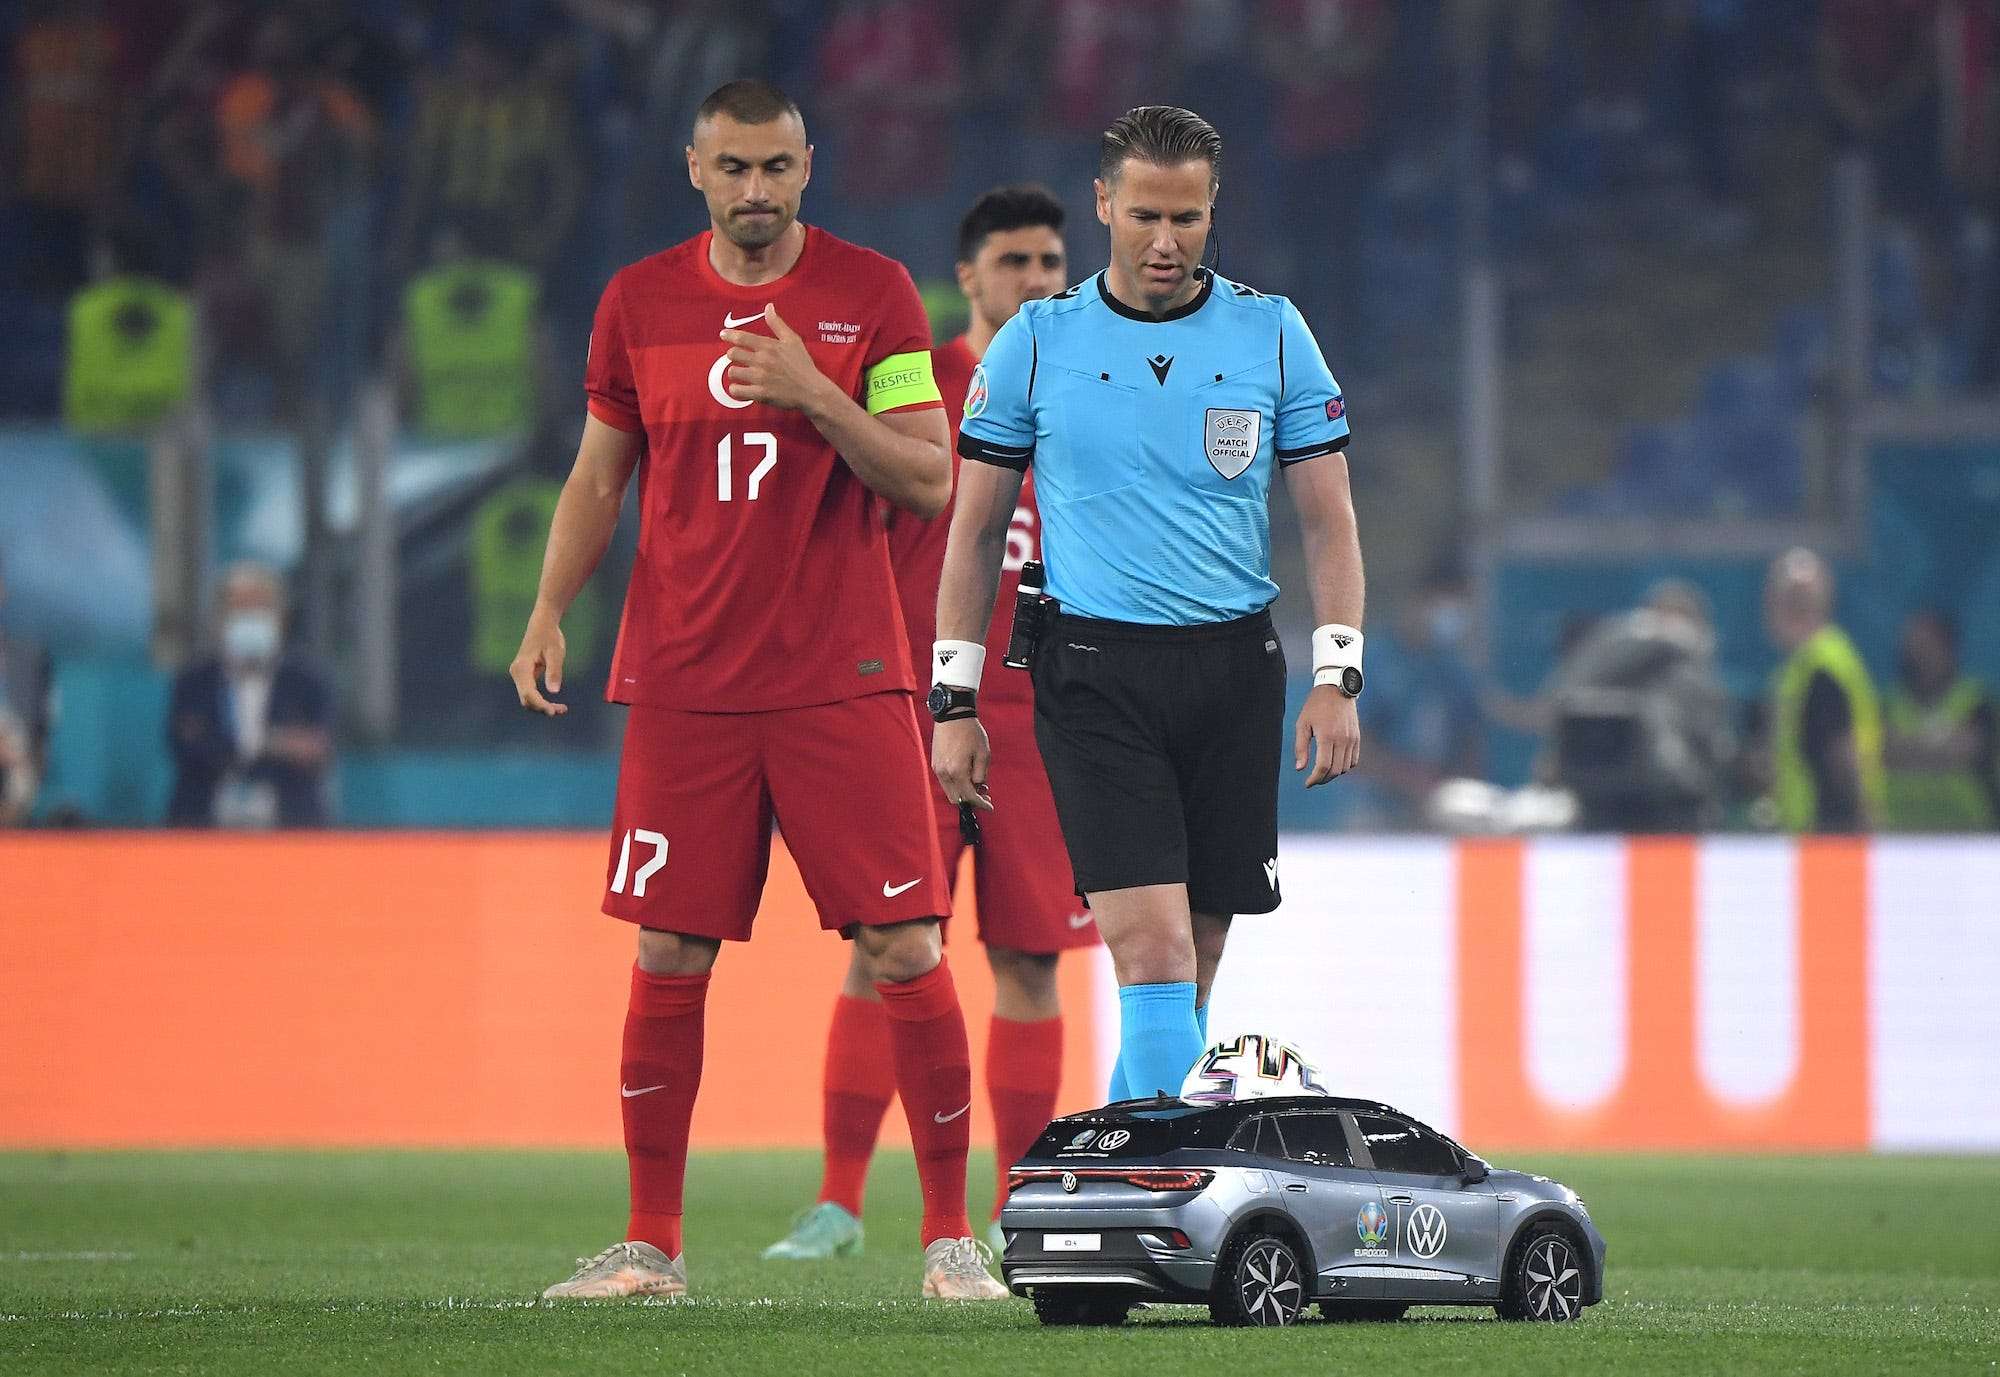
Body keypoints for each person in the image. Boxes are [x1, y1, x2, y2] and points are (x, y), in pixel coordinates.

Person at [514, 79, 1006, 1304]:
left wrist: (816, 394)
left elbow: (928, 481)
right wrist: (544, 610)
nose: (753, 191)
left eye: (774, 169)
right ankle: (650, 1249)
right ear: (694, 169)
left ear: (806, 168)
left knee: (903, 941)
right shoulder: (637, 301)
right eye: (731, 168)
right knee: (670, 950)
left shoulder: (873, 295)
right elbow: (595, 477)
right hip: (684, 681)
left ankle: (949, 1242)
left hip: (840, 677)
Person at [932, 106, 1367, 1106]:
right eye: (1141, 217)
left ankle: (1139, 1190)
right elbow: (971, 529)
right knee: (1156, 954)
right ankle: (1152, 1194)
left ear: (1214, 209)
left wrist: (1336, 675)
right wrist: (951, 699)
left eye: (1185, 218)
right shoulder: (1036, 344)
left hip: (1232, 672)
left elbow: (1329, 519)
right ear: (1101, 206)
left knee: (1196, 963)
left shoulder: (1270, 331)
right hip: (1093, 675)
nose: (1163, 242)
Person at [762, 185, 1086, 1264]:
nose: (1037, 279)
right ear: (968, 276)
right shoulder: (918, 384)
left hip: (1044, 720)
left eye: (1051, 261)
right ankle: (838, 1203)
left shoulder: (1094, 386)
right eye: (1014, 261)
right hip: (911, 703)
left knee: (1031, 960)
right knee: (886, 946)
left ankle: (1022, 1204)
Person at [165, 562, 335, 828]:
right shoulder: (194, 681)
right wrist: (276, 744)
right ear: (220, 618)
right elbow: (186, 746)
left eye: (260, 609)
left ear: (279, 617)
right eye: (240, 609)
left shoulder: (307, 681)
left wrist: (270, 744)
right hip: (203, 824)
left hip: (292, 825)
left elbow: (317, 749)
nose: (250, 618)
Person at [1762, 548, 1883, 833]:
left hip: (1827, 837)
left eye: (1797, 600)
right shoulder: (1804, 665)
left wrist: (1847, 833)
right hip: (1812, 834)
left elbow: (1844, 759)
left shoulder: (1822, 668)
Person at [1883, 609, 1999, 830]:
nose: (1920, 657)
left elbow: (1970, 750)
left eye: (1928, 648)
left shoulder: (1976, 703)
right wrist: (1941, 744)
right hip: (1900, 835)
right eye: (1913, 649)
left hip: (1970, 834)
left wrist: (1909, 747)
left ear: (1948, 650)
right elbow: (1882, 751)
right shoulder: (1888, 706)